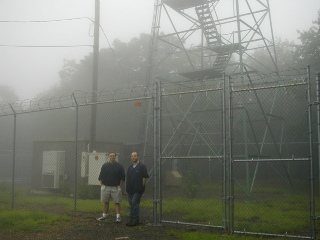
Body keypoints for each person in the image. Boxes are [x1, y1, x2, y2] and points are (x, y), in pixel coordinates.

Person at [97, 151, 125, 223]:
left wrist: (120, 186)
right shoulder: (105, 166)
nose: (112, 157)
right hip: (106, 187)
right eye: (110, 156)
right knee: (106, 202)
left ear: (115, 157)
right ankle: (104, 215)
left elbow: (122, 178)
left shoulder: (119, 166)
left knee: (117, 202)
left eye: (113, 156)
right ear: (109, 157)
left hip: (115, 187)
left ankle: (118, 217)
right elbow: (101, 176)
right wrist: (102, 185)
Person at [125, 152, 149, 227]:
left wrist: (142, 187)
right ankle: (131, 219)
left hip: (138, 189)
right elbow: (127, 178)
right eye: (132, 156)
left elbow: (144, 177)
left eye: (134, 156)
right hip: (130, 189)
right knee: (131, 204)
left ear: (138, 157)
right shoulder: (130, 167)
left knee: (134, 202)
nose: (133, 157)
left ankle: (136, 220)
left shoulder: (142, 166)